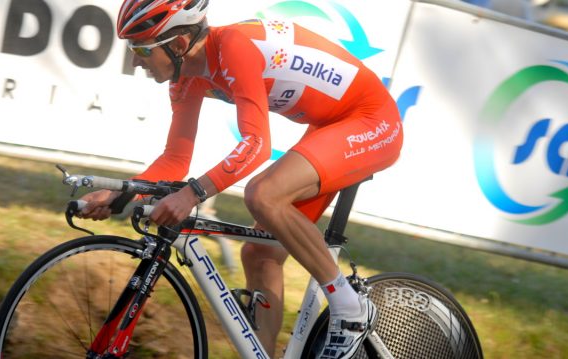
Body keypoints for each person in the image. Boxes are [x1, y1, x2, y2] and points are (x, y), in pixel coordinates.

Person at [80, 0, 403, 357]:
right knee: (259, 254)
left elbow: (258, 144)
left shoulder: (233, 45)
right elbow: (175, 160)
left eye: (140, 48)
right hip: (327, 126)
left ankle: (350, 309)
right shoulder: (185, 76)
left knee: (263, 195)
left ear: (178, 44)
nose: (134, 61)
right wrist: (118, 195)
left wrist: (193, 194)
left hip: (371, 121)